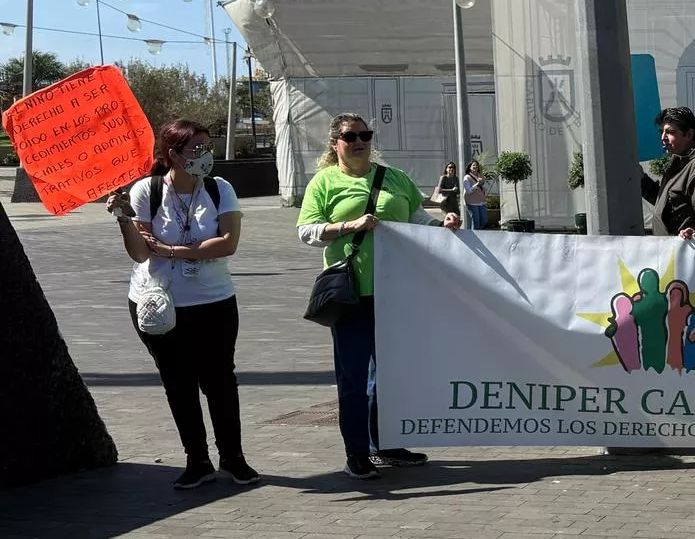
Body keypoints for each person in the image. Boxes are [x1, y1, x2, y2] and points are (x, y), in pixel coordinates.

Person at [297, 114, 461, 480]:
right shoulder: (324, 182)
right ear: (334, 143)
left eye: (365, 135)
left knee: (389, 376)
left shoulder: (394, 178)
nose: (359, 141)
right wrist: (346, 226)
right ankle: (356, 452)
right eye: (350, 136)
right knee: (353, 377)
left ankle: (383, 444)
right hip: (351, 296)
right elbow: (306, 232)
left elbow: (416, 218)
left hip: (397, 292)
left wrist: (442, 223)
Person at [106, 119, 258, 489]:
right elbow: (141, 253)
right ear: (173, 154)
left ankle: (233, 457)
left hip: (213, 300)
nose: (205, 156)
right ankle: (197, 459)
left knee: (220, 379)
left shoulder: (220, 189)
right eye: (197, 149)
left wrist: (173, 250)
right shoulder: (148, 190)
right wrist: (124, 219)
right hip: (158, 303)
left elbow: (227, 243)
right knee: (178, 382)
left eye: (208, 147)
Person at [640, 106, 695, 239]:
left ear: (689, 135)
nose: (663, 138)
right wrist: (641, 180)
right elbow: (667, 204)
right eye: (661, 132)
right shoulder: (681, 163)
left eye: (670, 132)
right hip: (673, 254)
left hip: (687, 255)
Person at [463, 159, 489, 230]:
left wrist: (483, 182)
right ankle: (474, 238)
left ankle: (480, 234)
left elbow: (483, 186)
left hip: (482, 201)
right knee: (476, 222)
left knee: (484, 221)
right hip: (472, 202)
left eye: (477, 165)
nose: (475, 166)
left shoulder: (480, 175)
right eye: (473, 165)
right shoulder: (466, 178)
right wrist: (477, 184)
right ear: (470, 167)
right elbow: (468, 191)